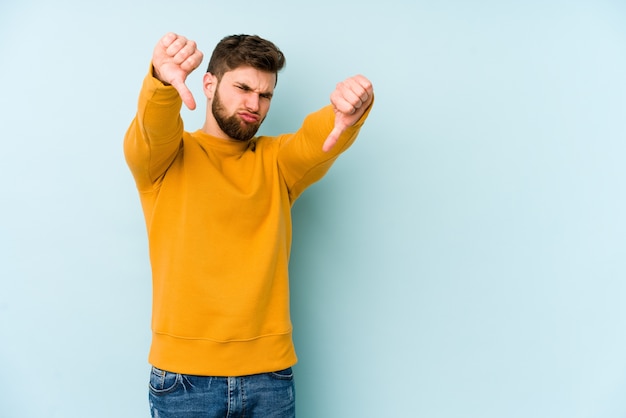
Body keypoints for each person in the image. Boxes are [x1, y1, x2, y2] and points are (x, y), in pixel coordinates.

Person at [124, 32, 374, 417]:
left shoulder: (277, 163)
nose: (253, 104)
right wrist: (161, 83)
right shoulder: (165, 158)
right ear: (209, 85)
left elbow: (314, 140)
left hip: (269, 378)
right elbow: (152, 128)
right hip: (183, 381)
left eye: (265, 95)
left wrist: (346, 113)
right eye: (242, 87)